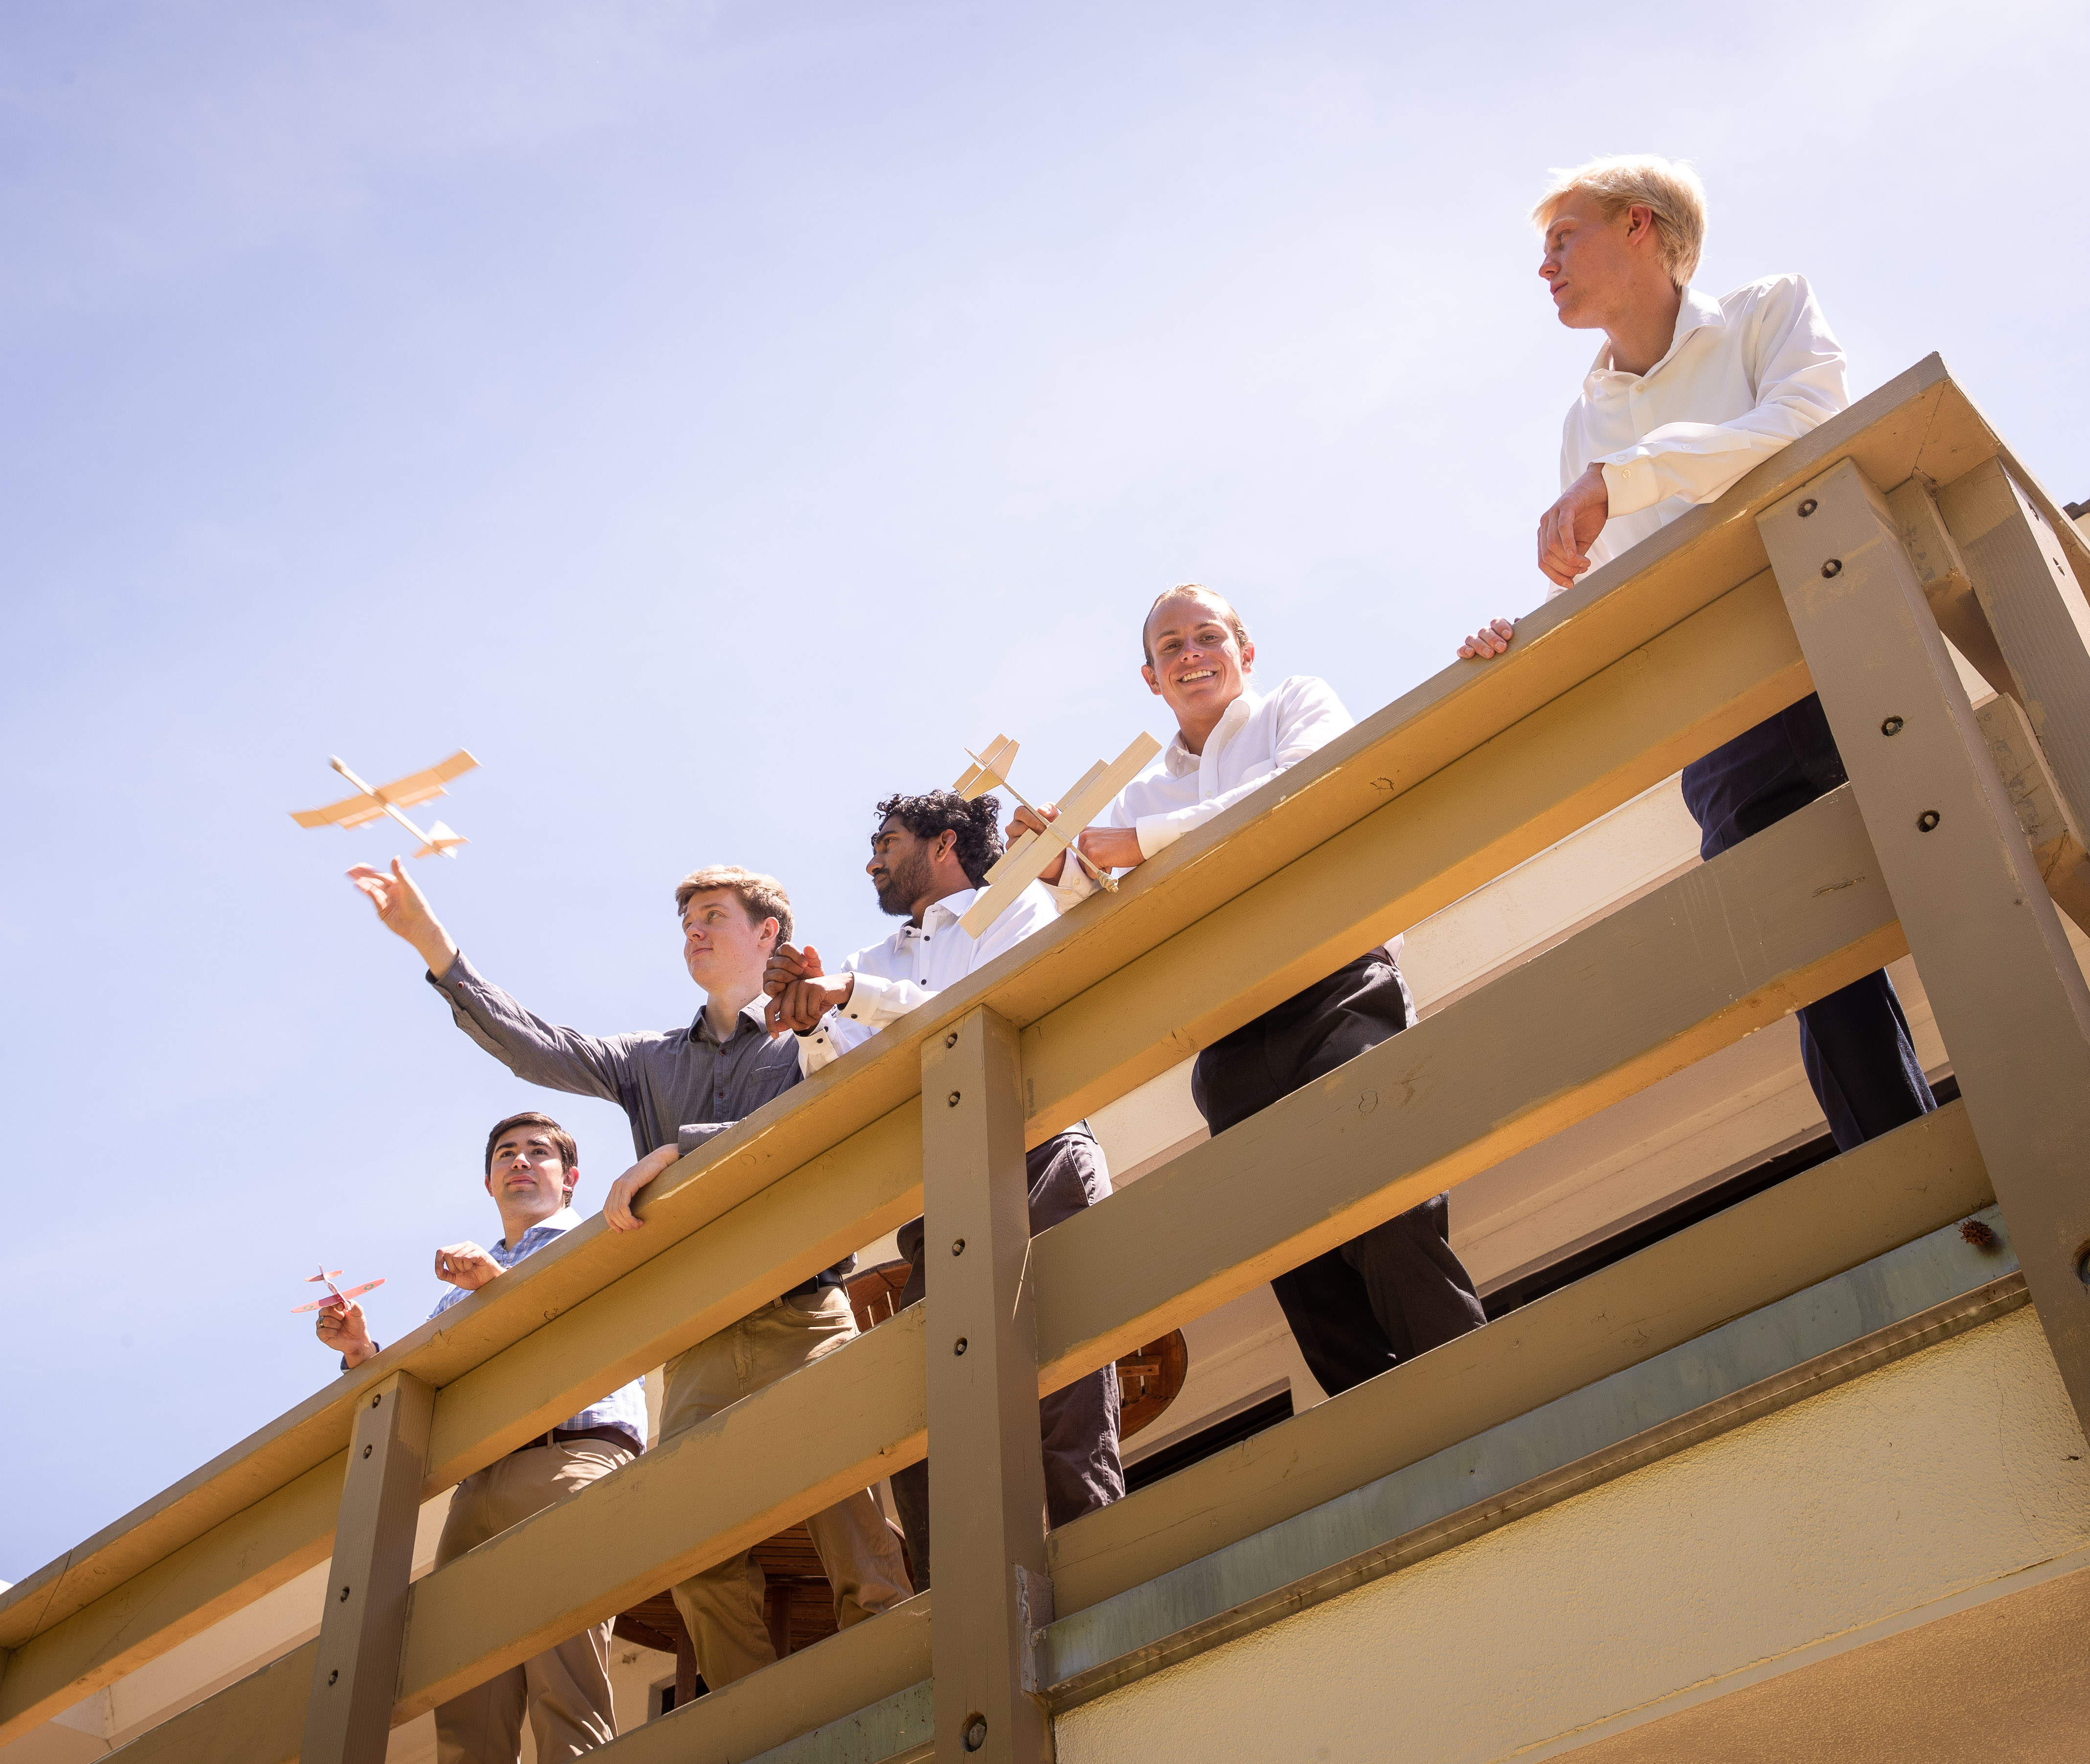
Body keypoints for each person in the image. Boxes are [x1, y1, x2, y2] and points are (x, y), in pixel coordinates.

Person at [1456, 154, 1936, 1154]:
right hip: (1720, 723)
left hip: (1845, 644)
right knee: (1814, 959)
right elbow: (1599, 593)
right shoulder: (1583, 422)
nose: (1544, 267)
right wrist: (1518, 638)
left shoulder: (1769, 311)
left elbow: (1804, 424)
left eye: (1563, 239)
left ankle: (2049, 1133)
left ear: (1640, 228)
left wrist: (1623, 478)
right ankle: (1915, 1181)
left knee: (1956, 879)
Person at [343, 857, 911, 1687]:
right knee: (689, 1541)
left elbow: (819, 1122)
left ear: (768, 933)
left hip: (804, 1310)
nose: (696, 933)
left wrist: (679, 1153)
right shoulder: (648, 1059)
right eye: (687, 923)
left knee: (848, 1509)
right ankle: (744, 1724)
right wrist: (432, 943)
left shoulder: (816, 1031)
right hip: (700, 1337)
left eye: (714, 916)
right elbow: (540, 1050)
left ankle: (906, 1678)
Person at [1016, 585, 1487, 1400]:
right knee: (1293, 1244)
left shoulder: (1294, 706)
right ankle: (1381, 1431)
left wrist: (1144, 843)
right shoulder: (1137, 794)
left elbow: (1306, 785)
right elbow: (1104, 905)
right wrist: (1064, 868)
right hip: (1226, 1033)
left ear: (1246, 650)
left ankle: (1479, 1393)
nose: (1191, 655)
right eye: (1171, 648)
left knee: (1387, 1196)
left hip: (1334, 980)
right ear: (1150, 677)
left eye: (1207, 637)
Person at [763, 791, 1124, 1588]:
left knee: (1067, 1385)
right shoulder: (873, 959)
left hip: (1040, 1154)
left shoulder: (1020, 907)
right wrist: (811, 1022)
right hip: (937, 1199)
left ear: (945, 843)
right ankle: (962, 1614)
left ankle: (1104, 1582)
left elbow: (985, 1010)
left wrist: (848, 993)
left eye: (887, 841)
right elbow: (843, 1078)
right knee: (936, 1423)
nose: (871, 860)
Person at [316, 1112, 647, 1764]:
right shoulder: (454, 1296)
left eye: (538, 1153)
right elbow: (428, 1385)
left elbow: (574, 1333)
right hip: (480, 1483)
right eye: (505, 1154)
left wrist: (495, 1289)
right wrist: (362, 1350)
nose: (520, 1161)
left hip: (573, 1454)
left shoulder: (597, 1234)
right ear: (489, 1182)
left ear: (570, 1178)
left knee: (567, 1678)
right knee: (466, 1699)